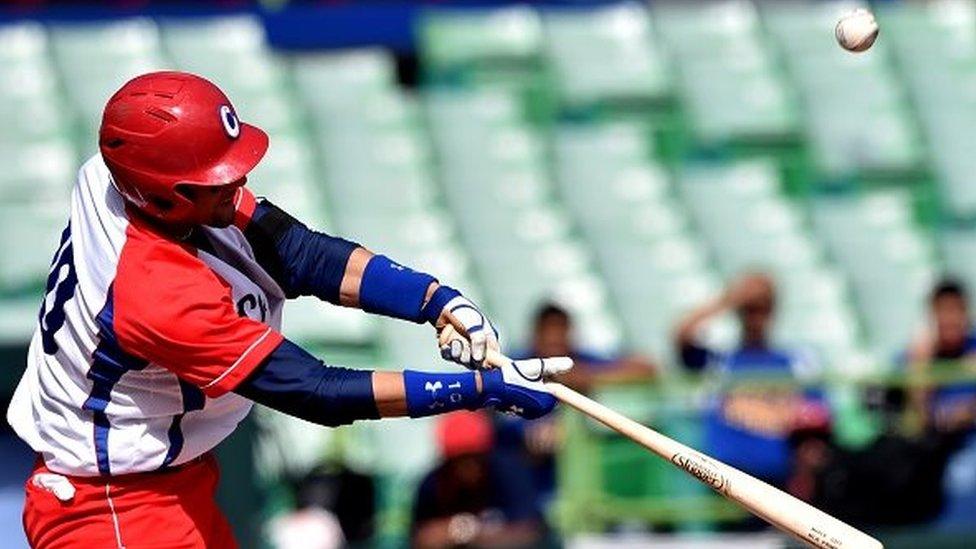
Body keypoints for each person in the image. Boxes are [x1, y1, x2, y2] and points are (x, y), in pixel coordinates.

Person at [6, 71, 571, 548]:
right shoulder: (155, 292)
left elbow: (302, 255)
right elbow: (315, 390)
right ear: (158, 193)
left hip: (172, 481)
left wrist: (438, 300)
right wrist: (473, 392)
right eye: (214, 181)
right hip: (107, 505)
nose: (238, 183)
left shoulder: (128, 177)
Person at [672, 272, 821, 487]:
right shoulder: (720, 362)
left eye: (763, 307)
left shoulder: (797, 363)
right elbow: (682, 337)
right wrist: (729, 299)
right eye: (749, 309)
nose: (755, 316)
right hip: (724, 481)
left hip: (779, 479)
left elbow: (817, 418)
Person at [411, 411, 548, 549]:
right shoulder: (433, 484)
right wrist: (449, 531)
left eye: (474, 458)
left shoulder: (509, 471)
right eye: (459, 460)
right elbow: (420, 539)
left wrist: (472, 533)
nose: (468, 466)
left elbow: (531, 531)